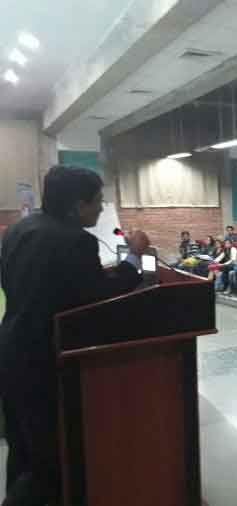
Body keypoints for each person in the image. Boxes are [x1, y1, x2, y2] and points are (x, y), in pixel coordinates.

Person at [0, 166, 150, 506]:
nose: (100, 208)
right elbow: (97, 297)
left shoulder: (20, 228)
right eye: (97, 201)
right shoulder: (75, 240)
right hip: (45, 357)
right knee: (50, 462)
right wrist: (135, 256)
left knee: (22, 448)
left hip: (12, 347)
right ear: (77, 205)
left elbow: (54, 284)